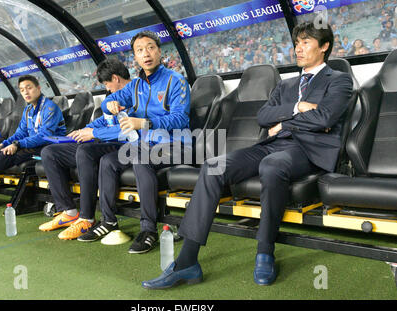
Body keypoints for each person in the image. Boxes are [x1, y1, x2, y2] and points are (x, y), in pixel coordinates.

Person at [141, 21, 353, 289]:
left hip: (308, 150)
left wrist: (285, 123)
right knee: (214, 166)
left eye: (306, 42)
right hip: (272, 145)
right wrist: (298, 107)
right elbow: (263, 117)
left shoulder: (339, 80)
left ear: (324, 47)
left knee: (273, 165)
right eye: (297, 43)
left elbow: (325, 118)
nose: (298, 48)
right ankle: (187, 262)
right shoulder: (287, 86)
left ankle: (265, 251)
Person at [77, 30, 191, 254]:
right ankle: (108, 220)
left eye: (150, 47)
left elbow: (181, 118)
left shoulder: (176, 81)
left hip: (176, 145)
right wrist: (110, 104)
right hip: (145, 146)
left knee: (140, 158)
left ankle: (148, 229)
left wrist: (144, 123)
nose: (146, 53)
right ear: (135, 58)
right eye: (140, 50)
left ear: (159, 51)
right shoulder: (136, 85)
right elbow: (110, 100)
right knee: (108, 161)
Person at [38, 58, 132, 240]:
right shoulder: (112, 98)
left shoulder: (137, 93)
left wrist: (94, 133)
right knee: (49, 153)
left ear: (116, 78)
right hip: (102, 143)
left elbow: (128, 128)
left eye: (107, 83)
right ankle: (69, 211)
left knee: (85, 150)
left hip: (121, 145)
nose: (107, 88)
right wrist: (84, 129)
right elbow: (105, 120)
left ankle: (87, 218)